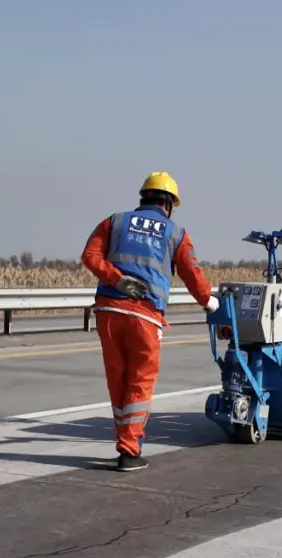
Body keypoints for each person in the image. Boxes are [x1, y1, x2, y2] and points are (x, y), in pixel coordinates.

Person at [81, 171, 219, 472]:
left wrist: (118, 280)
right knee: (139, 382)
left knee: (117, 380)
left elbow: (90, 257)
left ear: (143, 197)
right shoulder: (175, 233)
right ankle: (130, 451)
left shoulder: (114, 222)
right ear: (169, 203)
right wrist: (209, 302)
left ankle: (125, 442)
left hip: (109, 313)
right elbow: (191, 274)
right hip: (145, 317)